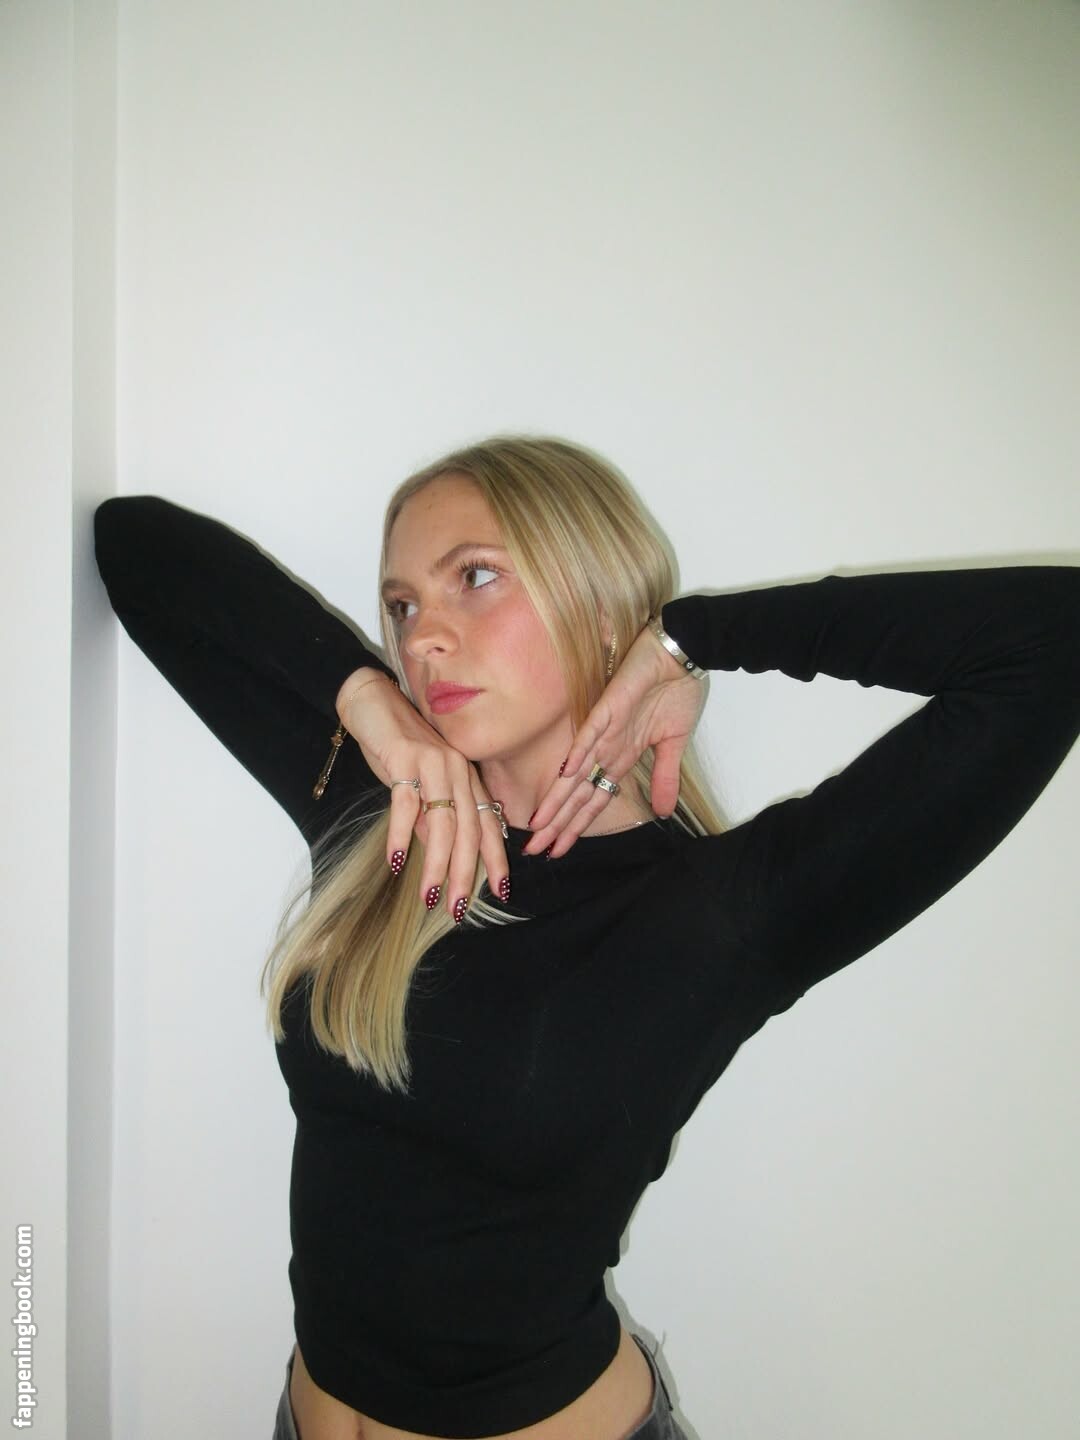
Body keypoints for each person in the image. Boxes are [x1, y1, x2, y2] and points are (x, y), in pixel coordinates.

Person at [93, 434, 1080, 1440]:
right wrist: (365, 696)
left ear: (599, 604)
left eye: (476, 578)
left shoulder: (722, 912)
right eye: (402, 606)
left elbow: (1052, 643)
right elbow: (134, 548)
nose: (423, 639)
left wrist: (690, 639)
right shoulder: (383, 814)